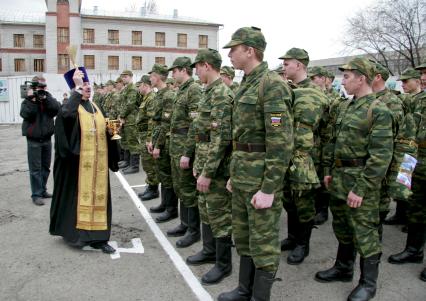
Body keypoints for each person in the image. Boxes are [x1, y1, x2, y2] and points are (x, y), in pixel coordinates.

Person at [218, 26, 294, 301]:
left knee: (263, 243)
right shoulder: (245, 83)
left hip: (261, 181)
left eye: (233, 49)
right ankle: (244, 290)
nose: (229, 55)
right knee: (244, 237)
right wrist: (233, 175)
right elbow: (242, 138)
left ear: (249, 50)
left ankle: (260, 297)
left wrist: (269, 188)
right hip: (242, 177)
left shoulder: (271, 84)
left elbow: (280, 141)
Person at [316, 58, 394, 301]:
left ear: (362, 79)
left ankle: (368, 283)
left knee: (365, 233)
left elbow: (381, 157)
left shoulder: (379, 110)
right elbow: (334, 142)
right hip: (340, 179)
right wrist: (329, 170)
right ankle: (343, 268)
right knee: (343, 228)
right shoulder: (346, 106)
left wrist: (361, 189)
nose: (343, 80)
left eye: (347, 76)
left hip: (361, 183)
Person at [49, 68, 119, 254]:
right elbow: (65, 118)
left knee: (100, 199)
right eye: (84, 85)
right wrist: (77, 90)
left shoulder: (96, 106)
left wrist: (114, 131)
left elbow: (106, 129)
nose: (88, 88)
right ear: (76, 88)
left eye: (89, 85)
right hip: (79, 167)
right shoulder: (71, 107)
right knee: (79, 201)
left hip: (99, 165)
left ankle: (100, 238)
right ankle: (79, 235)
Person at [186, 48, 234, 285]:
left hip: (215, 167)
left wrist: (207, 171)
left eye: (197, 67)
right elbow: (201, 133)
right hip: (204, 160)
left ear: (206, 65)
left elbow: (221, 139)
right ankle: (209, 250)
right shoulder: (208, 92)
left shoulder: (222, 95)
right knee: (205, 208)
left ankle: (224, 265)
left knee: (219, 215)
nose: (195, 71)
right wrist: (198, 162)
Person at [278, 48, 329, 265]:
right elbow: (277, 122)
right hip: (284, 155)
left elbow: (321, 131)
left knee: (304, 203)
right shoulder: (285, 91)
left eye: (287, 63)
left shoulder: (314, 93)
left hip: (304, 158)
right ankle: (292, 237)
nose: (284, 67)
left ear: (299, 65)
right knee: (289, 200)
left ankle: (303, 244)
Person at [388, 61, 426, 282]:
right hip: (414, 160)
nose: (423, 77)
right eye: (421, 73)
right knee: (416, 208)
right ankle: (413, 250)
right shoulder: (415, 101)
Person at [166, 57, 203, 248]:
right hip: (176, 145)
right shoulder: (181, 90)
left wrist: (188, 152)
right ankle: (184, 223)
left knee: (188, 189)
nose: (172, 74)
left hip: (184, 147)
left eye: (174, 71)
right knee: (180, 187)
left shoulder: (194, 89)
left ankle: (193, 230)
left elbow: (195, 125)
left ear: (183, 70)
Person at [20, 77, 60, 206]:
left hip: (47, 138)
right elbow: (26, 115)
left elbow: (57, 109)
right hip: (34, 140)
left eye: (44, 87)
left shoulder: (47, 98)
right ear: (34, 87)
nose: (42, 89)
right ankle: (36, 194)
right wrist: (32, 100)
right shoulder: (27, 101)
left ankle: (42, 190)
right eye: (39, 87)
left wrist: (45, 97)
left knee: (45, 167)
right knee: (35, 169)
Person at [148, 64, 179, 222]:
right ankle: (164, 203)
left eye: (152, 75)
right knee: (161, 173)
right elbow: (155, 121)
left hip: (165, 142)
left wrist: (158, 145)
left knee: (167, 176)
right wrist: (150, 140)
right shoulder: (158, 94)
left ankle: (171, 209)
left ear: (159, 77)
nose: (150, 78)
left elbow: (165, 124)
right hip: (157, 138)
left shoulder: (168, 95)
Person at [136, 75, 160, 201]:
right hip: (143, 134)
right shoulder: (146, 98)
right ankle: (150, 185)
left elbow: (152, 121)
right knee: (146, 163)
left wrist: (149, 139)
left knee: (149, 164)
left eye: (140, 85)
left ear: (145, 85)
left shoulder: (151, 98)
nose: (138, 88)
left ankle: (153, 189)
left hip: (147, 135)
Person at [119, 70, 140, 174]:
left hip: (131, 119)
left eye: (125, 76)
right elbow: (123, 104)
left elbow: (130, 105)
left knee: (132, 142)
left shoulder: (132, 89)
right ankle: (127, 162)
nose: (123, 78)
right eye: (122, 77)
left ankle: (135, 166)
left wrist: (122, 115)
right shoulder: (126, 89)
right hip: (126, 119)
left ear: (131, 77)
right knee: (127, 140)